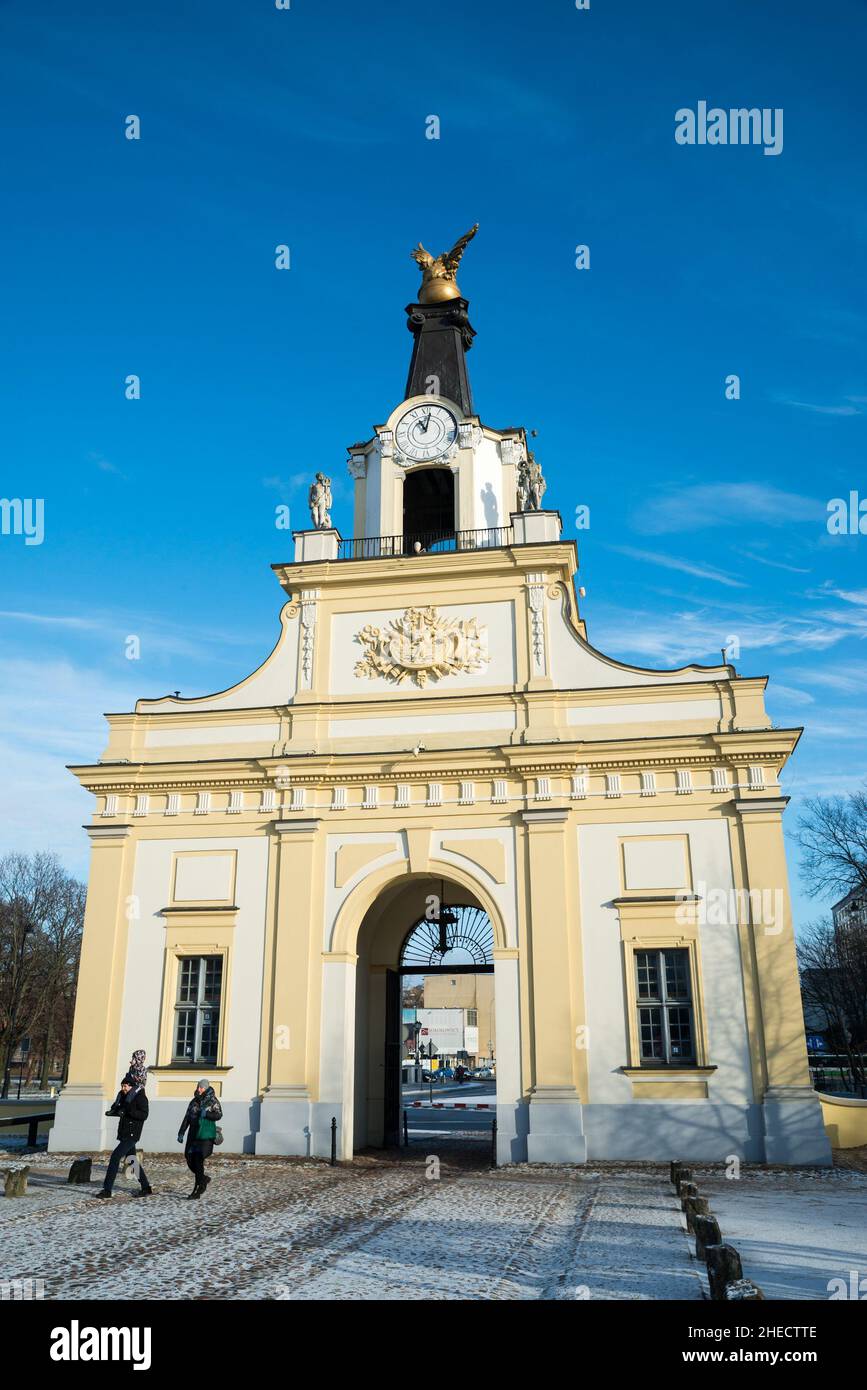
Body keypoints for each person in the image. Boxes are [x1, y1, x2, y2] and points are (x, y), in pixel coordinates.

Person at [95, 1075, 152, 1199]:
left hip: (132, 1133)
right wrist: (114, 1112)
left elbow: (144, 1115)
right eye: (122, 1086)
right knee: (132, 1160)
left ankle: (107, 1190)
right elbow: (121, 1110)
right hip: (124, 1133)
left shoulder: (140, 1097)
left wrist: (129, 1111)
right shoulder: (124, 1096)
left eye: (125, 1086)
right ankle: (146, 1187)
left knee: (115, 1157)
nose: (123, 1088)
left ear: (131, 1086)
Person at [177, 1080, 222, 1199]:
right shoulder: (194, 1101)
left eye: (201, 1088)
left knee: (197, 1160)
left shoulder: (212, 1100)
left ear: (206, 1088)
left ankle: (197, 1190)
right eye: (198, 1087)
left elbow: (219, 1114)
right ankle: (203, 1179)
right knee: (189, 1158)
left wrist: (206, 1114)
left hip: (205, 1135)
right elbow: (187, 1117)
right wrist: (181, 1132)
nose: (199, 1089)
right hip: (193, 1134)